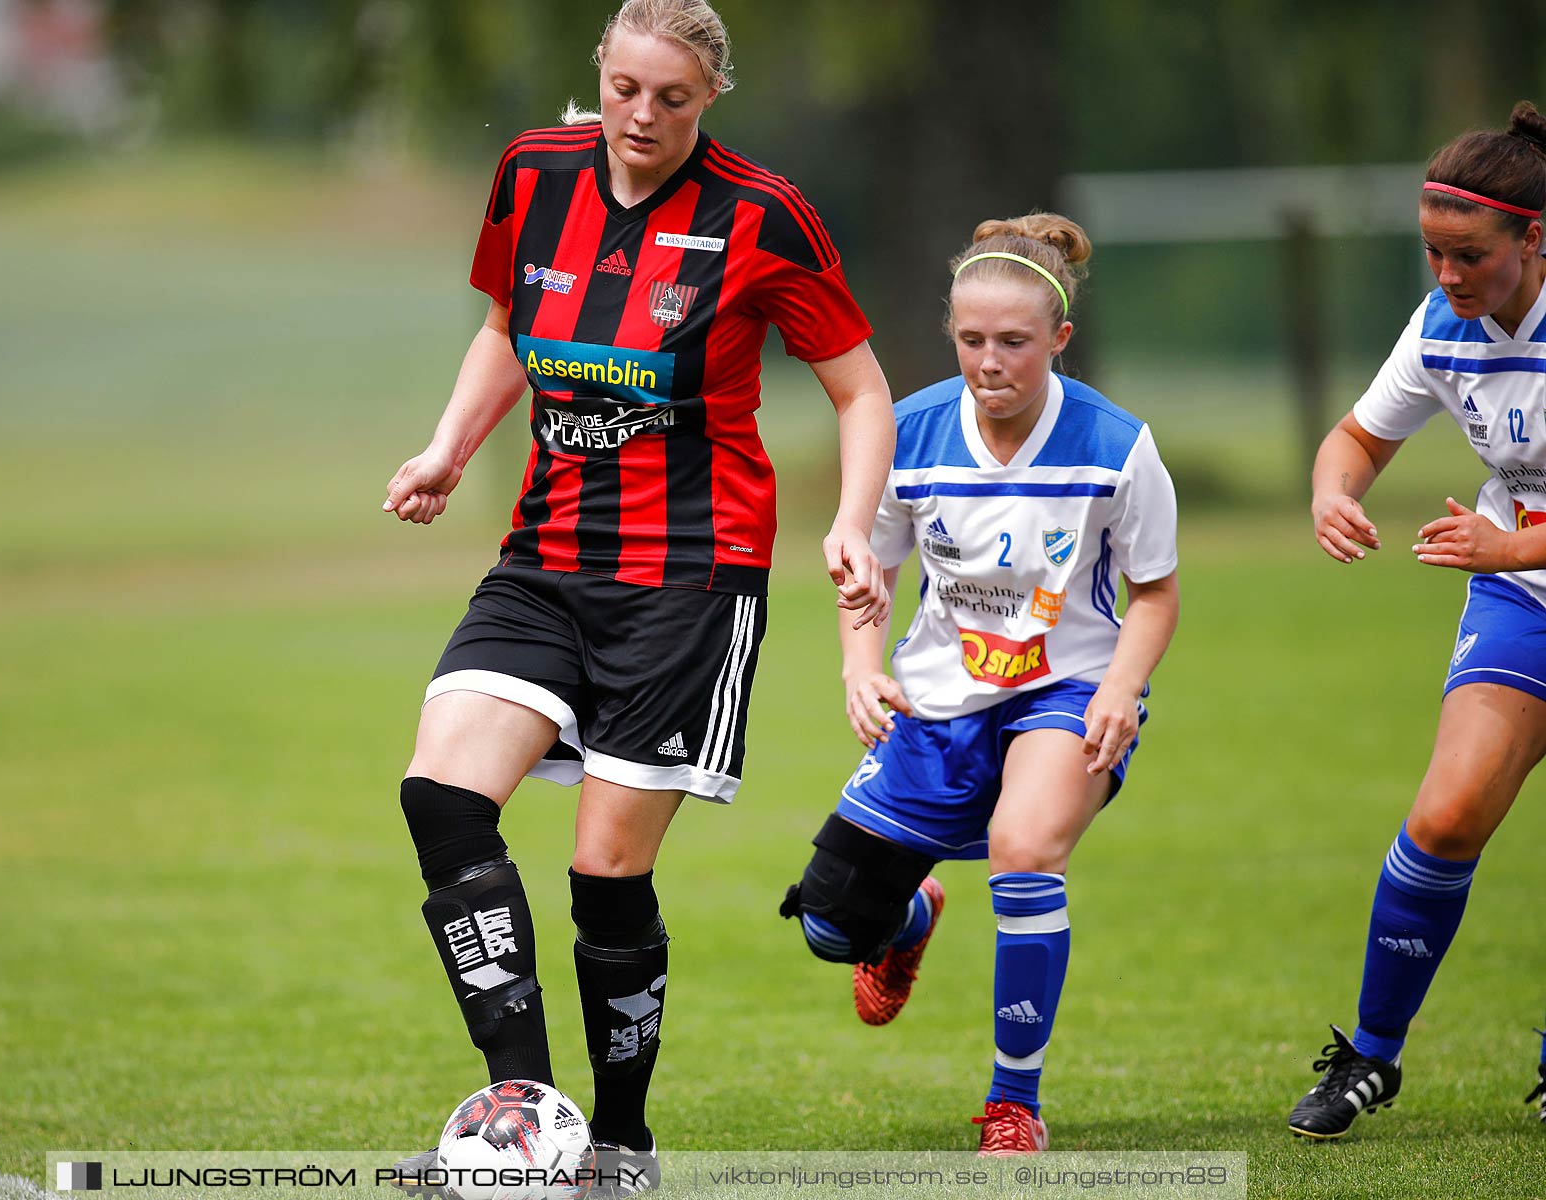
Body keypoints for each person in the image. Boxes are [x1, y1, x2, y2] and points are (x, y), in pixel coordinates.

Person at [382, 1, 895, 1192]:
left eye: (671, 98)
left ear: (709, 98)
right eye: (624, 89)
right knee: (442, 800)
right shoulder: (531, 173)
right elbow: (508, 328)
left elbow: (862, 392)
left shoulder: (763, 216)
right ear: (599, 75)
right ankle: (523, 1119)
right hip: (545, 558)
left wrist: (852, 524)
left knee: (606, 873)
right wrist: (450, 450)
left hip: (688, 579)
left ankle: (619, 1145)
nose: (641, 117)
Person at [779, 213, 1181, 1156]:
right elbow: (862, 578)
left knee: (1024, 847)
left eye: (1014, 342)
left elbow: (1155, 594)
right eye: (970, 341)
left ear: (1059, 340)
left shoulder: (1115, 444)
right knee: (832, 928)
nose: (989, 361)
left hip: (1067, 690)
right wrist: (858, 666)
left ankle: (1013, 1104)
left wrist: (1123, 686)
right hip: (934, 700)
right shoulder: (908, 435)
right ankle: (910, 915)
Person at [1287, 101, 1546, 1141]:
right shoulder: (1444, 322)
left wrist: (1513, 545)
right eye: (1432, 252)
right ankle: (1372, 1058)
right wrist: (1332, 491)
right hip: (1523, 596)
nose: (1446, 276)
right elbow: (1354, 436)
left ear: (1536, 237)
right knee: (1443, 819)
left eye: (1468, 255)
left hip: (1513, 562)